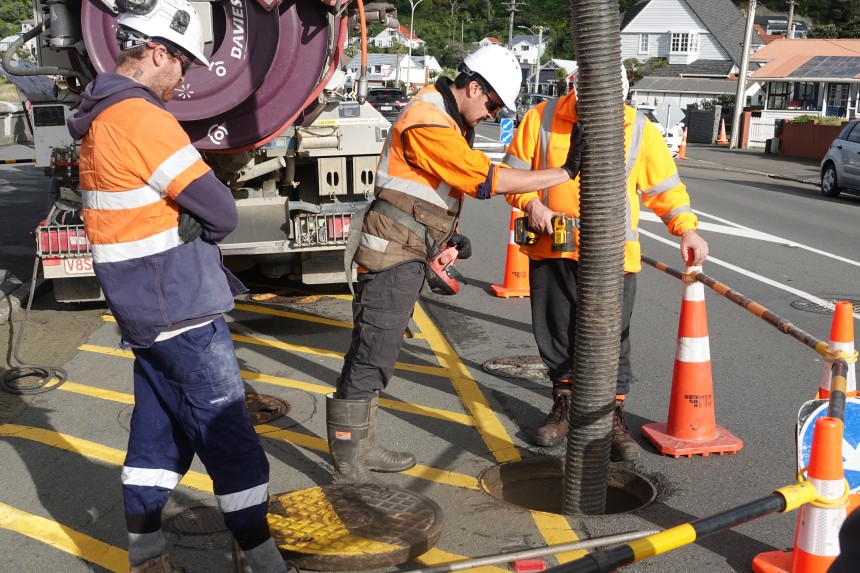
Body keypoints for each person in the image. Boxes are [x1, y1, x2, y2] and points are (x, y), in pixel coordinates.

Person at [66, 1, 295, 571]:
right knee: (230, 436)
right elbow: (221, 210)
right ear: (158, 52)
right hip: (181, 309)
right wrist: (198, 217)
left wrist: (182, 213)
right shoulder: (142, 118)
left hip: (144, 311)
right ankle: (263, 560)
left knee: (157, 436)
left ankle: (146, 554)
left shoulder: (99, 115)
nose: (185, 80)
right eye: (184, 65)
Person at [330, 44, 588, 484]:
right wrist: (563, 173)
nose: (491, 113)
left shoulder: (446, 116)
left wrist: (445, 236)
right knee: (374, 350)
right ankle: (348, 456)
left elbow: (423, 192)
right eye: (491, 103)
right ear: (472, 87)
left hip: (408, 246)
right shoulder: (428, 117)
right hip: (392, 251)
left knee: (382, 349)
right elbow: (486, 179)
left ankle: (363, 443)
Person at [502, 64, 708, 460]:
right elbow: (512, 176)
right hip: (553, 248)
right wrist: (531, 204)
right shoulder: (542, 118)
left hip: (613, 255)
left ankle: (611, 415)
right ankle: (563, 405)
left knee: (612, 336)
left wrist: (687, 230)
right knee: (556, 331)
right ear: (573, 92)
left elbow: (664, 189)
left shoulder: (639, 129)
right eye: (586, 103)